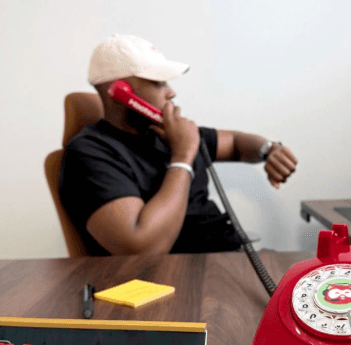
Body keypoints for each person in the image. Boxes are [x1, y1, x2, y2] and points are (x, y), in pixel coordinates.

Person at [59, 35, 298, 255]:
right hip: (182, 273)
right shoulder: (89, 154)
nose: (171, 93)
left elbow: (236, 143)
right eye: (158, 83)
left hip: (229, 254)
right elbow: (141, 247)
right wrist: (182, 157)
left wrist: (269, 150)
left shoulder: (167, 132)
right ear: (120, 92)